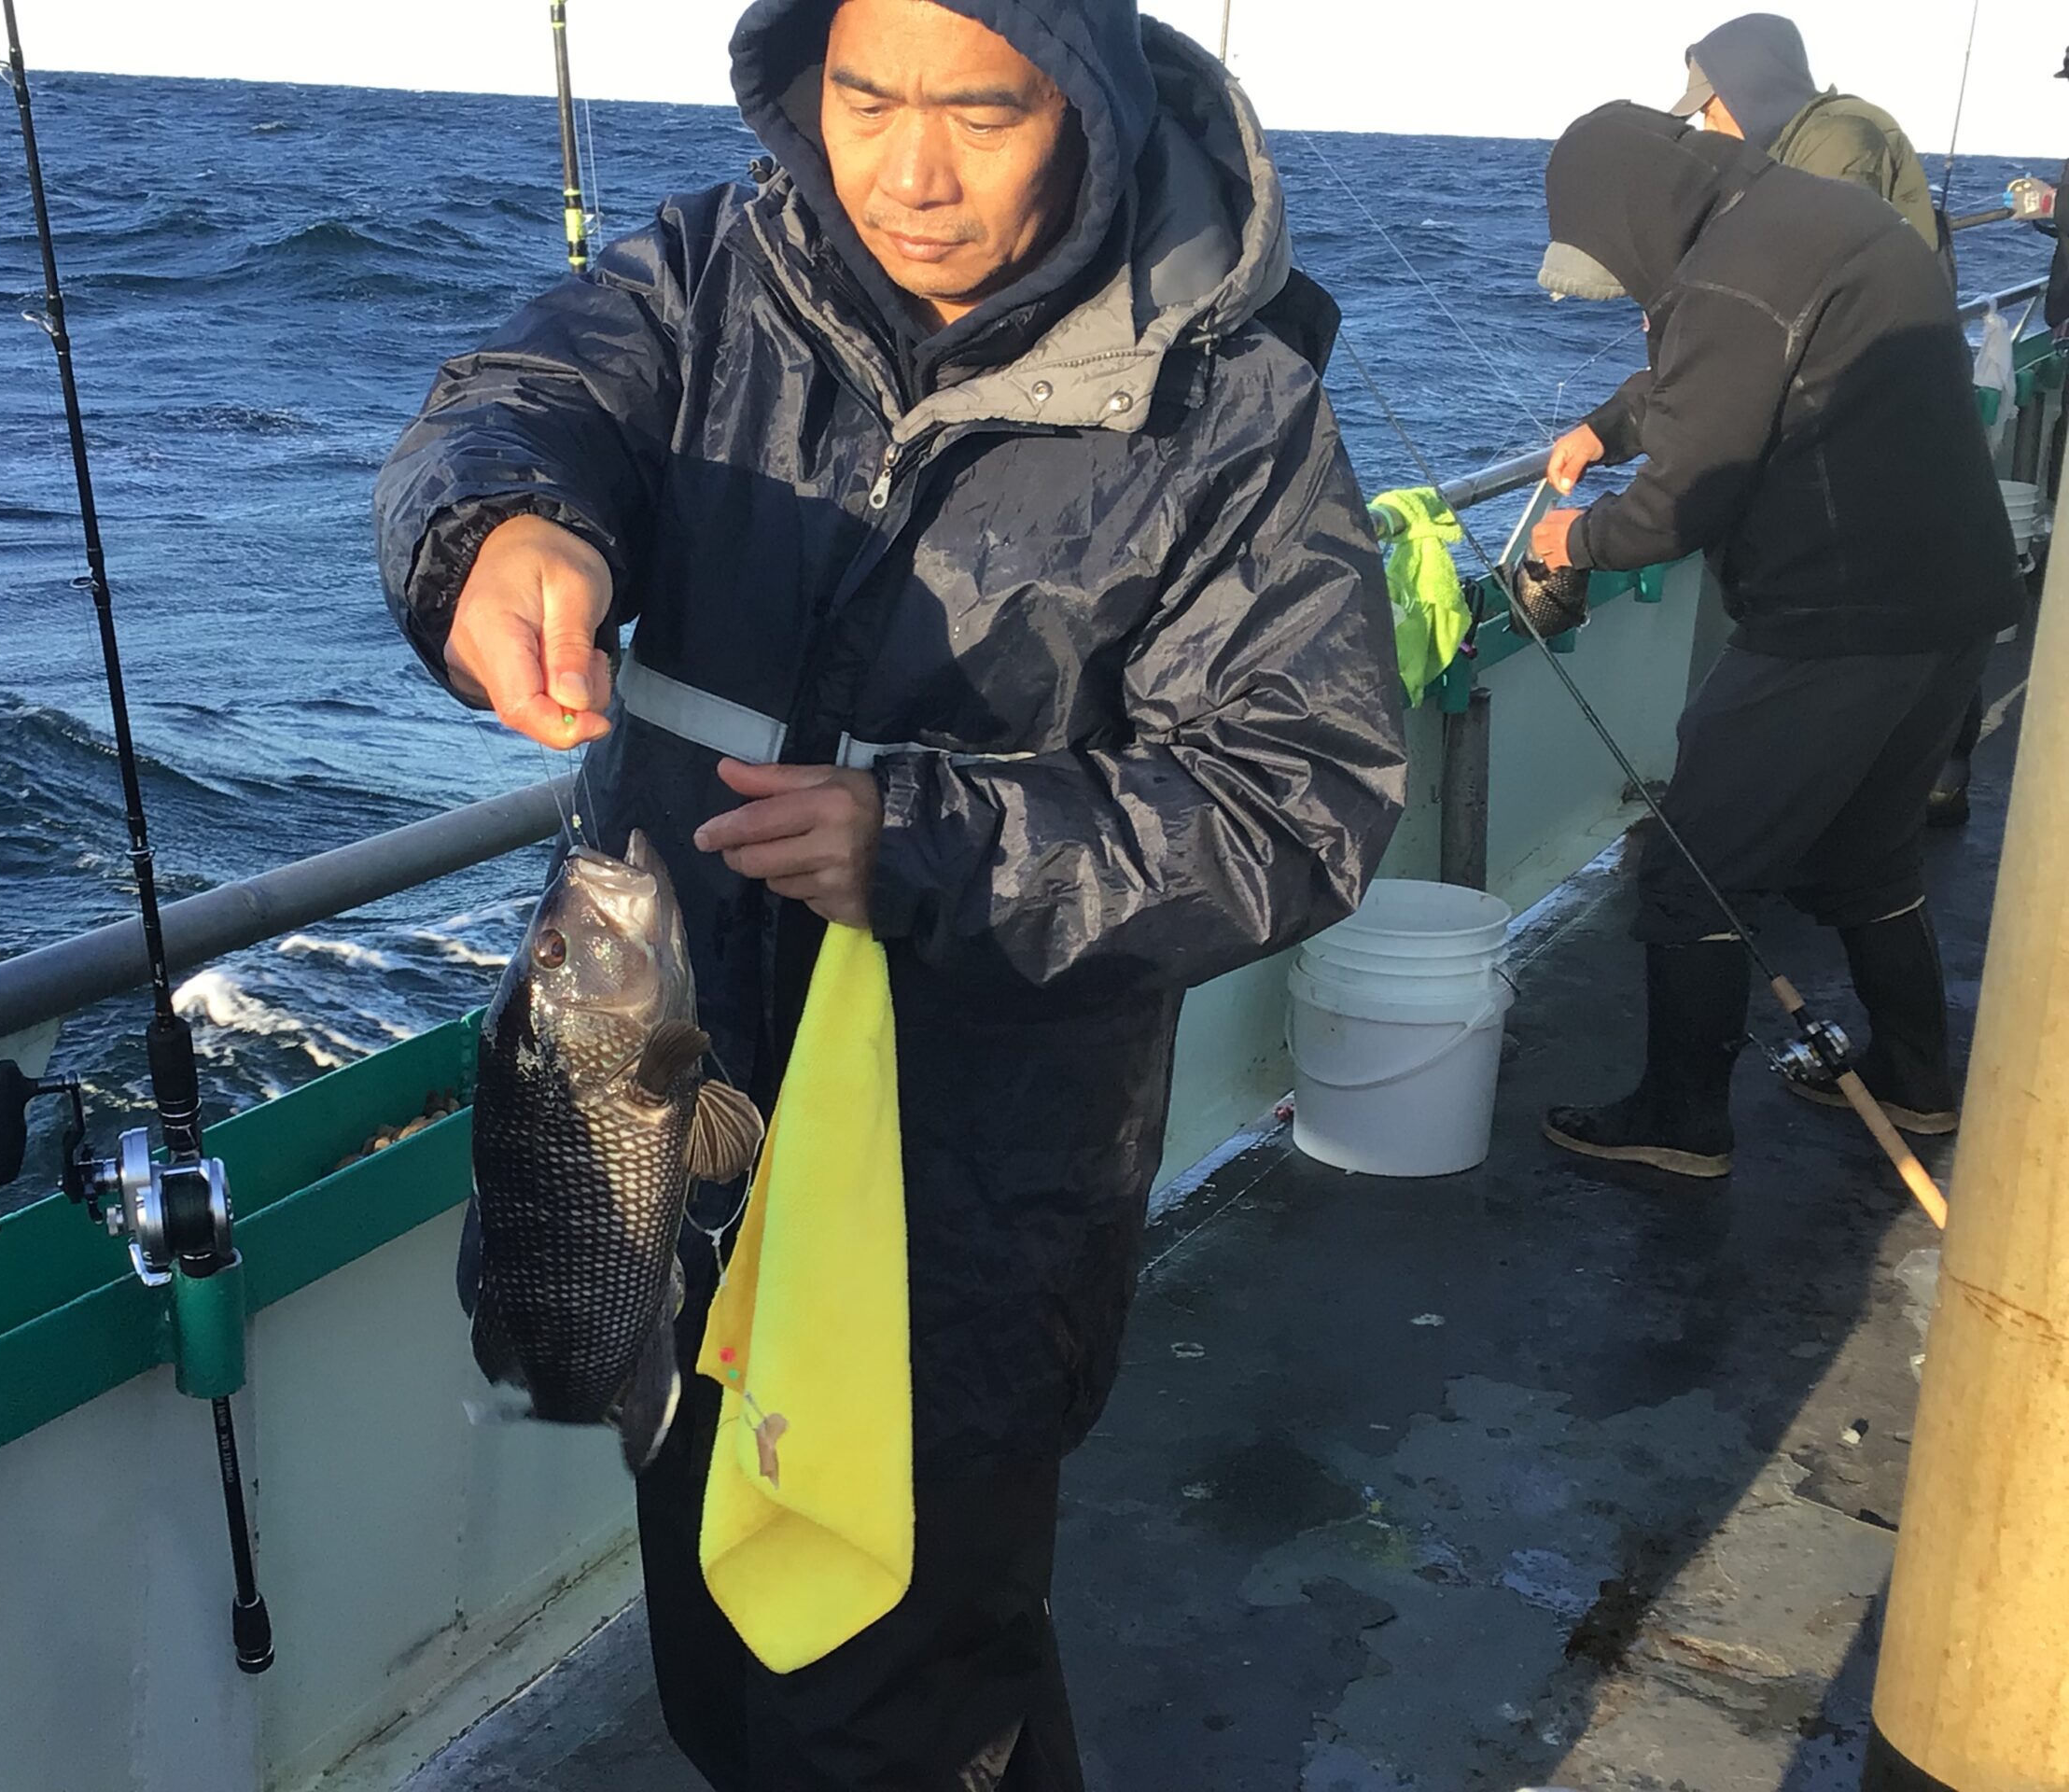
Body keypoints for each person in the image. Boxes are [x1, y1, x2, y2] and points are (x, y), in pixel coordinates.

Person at [374, 0, 1408, 1783]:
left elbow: (1299, 793)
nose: (909, 172)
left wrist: (930, 841)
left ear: (1081, 107)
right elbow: (520, 402)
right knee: (723, 1661)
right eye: (863, 98)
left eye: (981, 113)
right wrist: (494, 532)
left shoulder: (1230, 411)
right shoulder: (707, 277)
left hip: (966, 1207)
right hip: (668, 1139)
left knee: (909, 1691)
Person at [1529, 104, 2020, 1179]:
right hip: (1952, 601)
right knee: (1865, 850)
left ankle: (1680, 1119)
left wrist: (1581, 537)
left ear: (1626, 214)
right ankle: (1913, 1079)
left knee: (1692, 865)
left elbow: (1679, 504)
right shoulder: (1804, 216)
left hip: (1837, 619)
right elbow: (1738, 366)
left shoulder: (1724, 276)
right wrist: (1607, 424)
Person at [1671, 12, 1939, 252]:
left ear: (1750, 95)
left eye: (1711, 114)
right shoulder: (1776, 148)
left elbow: (1811, 262)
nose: (1708, 130)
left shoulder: (1837, 140)